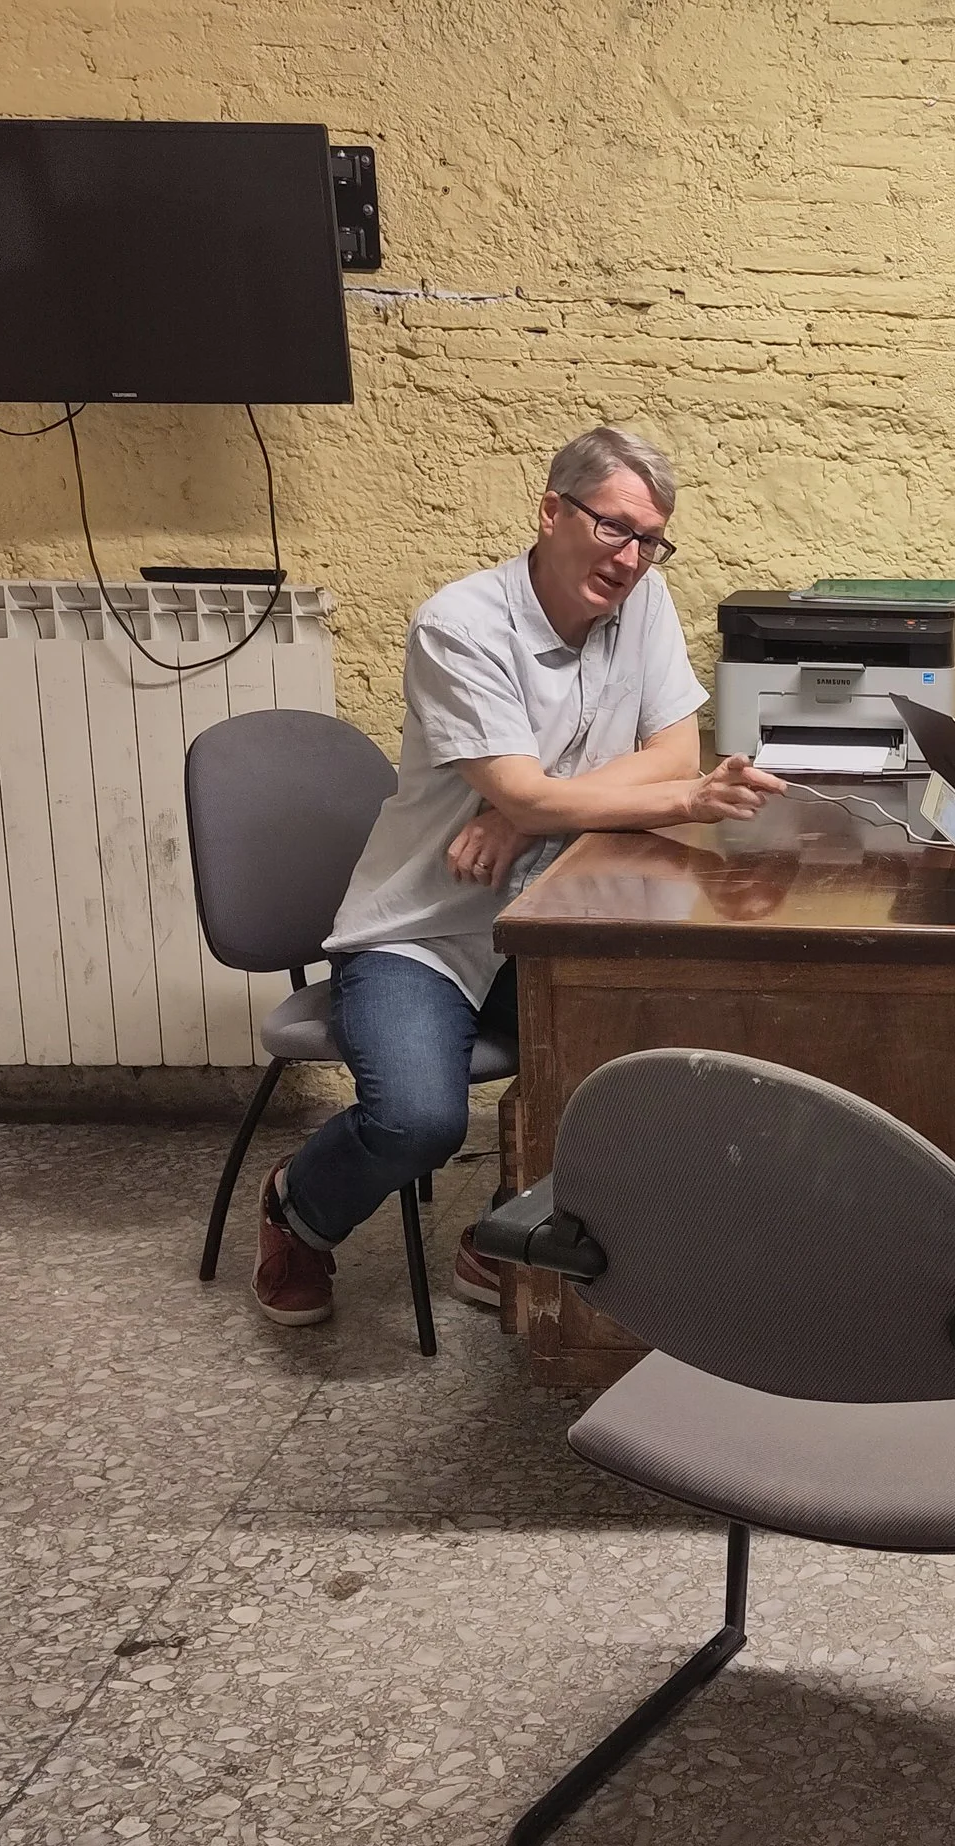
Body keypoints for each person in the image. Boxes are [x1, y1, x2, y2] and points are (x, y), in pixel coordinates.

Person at [252, 425, 785, 1328]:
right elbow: (654, 783)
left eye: (650, 540)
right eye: (614, 527)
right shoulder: (459, 626)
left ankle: (500, 1231)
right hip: (425, 932)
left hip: (557, 917)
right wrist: (555, 800)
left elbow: (668, 753)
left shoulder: (643, 602)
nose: (631, 559)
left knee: (649, 1056)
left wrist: (525, 808)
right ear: (550, 512)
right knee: (418, 1122)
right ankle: (296, 1209)